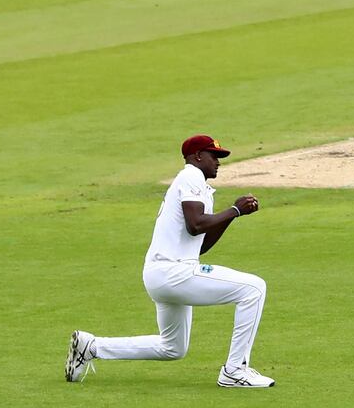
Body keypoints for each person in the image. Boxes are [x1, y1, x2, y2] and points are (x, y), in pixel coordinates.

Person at [65, 135, 275, 388]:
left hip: (163, 273)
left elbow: (201, 244)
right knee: (254, 288)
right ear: (197, 156)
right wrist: (235, 209)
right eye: (214, 156)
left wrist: (233, 215)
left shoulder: (197, 185)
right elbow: (196, 224)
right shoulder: (190, 177)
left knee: (172, 347)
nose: (218, 162)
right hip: (173, 272)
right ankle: (234, 370)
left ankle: (91, 346)